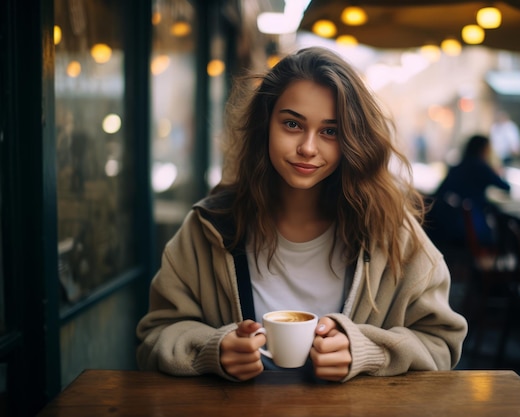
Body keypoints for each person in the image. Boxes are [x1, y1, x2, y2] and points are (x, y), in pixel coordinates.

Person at [135, 47, 467, 383]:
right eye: (292, 124)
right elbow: (154, 336)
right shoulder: (211, 226)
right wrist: (213, 349)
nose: (308, 147)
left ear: (352, 139)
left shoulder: (391, 231)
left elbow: (442, 342)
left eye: (330, 131)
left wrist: (365, 351)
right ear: (266, 125)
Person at [430, 134, 511, 246]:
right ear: (483, 149)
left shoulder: (458, 167)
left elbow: (439, 191)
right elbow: (506, 187)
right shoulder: (482, 168)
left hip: (455, 224)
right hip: (476, 226)